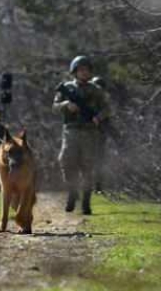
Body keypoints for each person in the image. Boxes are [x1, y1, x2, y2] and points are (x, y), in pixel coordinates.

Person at [52, 56, 111, 215]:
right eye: (81, 70)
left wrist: (99, 117)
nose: (84, 73)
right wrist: (66, 105)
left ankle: (86, 201)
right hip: (70, 131)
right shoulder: (66, 88)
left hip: (89, 132)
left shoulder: (96, 90)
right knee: (66, 162)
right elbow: (55, 107)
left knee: (88, 167)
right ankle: (72, 192)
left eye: (86, 70)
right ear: (75, 71)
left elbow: (107, 108)